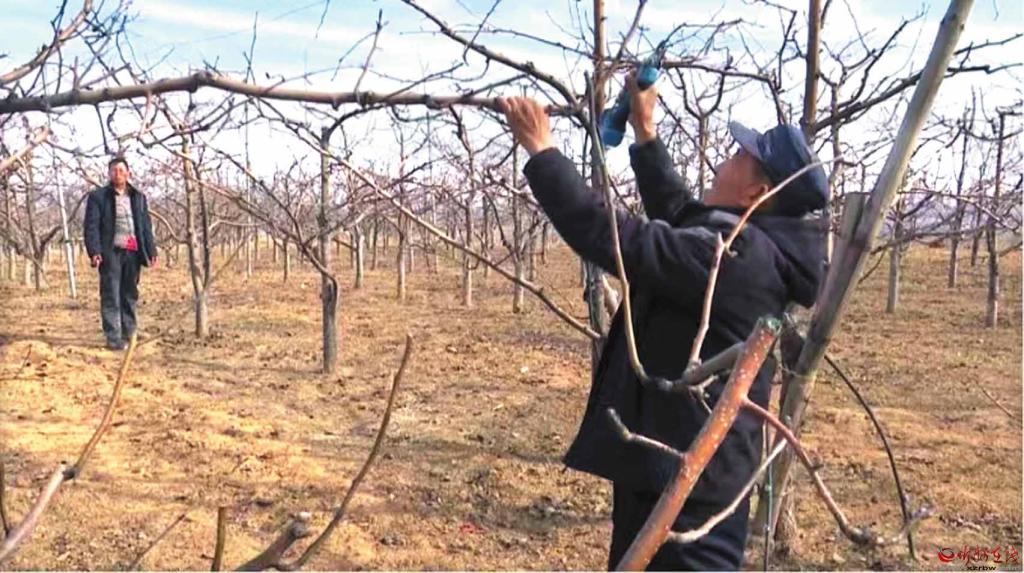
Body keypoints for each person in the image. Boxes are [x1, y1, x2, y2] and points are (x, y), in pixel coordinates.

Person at [495, 75, 827, 571]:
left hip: (692, 484)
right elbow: (679, 211)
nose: (723, 161)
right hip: (672, 464)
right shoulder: (745, 238)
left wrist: (542, 152)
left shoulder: (735, 256)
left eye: (738, 157)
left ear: (757, 191)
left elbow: (615, 237)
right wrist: (645, 131)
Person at [83, 156, 158, 350]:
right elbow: (91, 226)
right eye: (114, 171)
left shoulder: (138, 197)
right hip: (111, 252)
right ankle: (113, 337)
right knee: (111, 294)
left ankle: (130, 332)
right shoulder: (98, 197)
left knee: (130, 293)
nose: (118, 174)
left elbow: (145, 226)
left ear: (128, 173)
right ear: (109, 174)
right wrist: (94, 251)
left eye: (121, 170)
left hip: (133, 252)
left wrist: (151, 249)